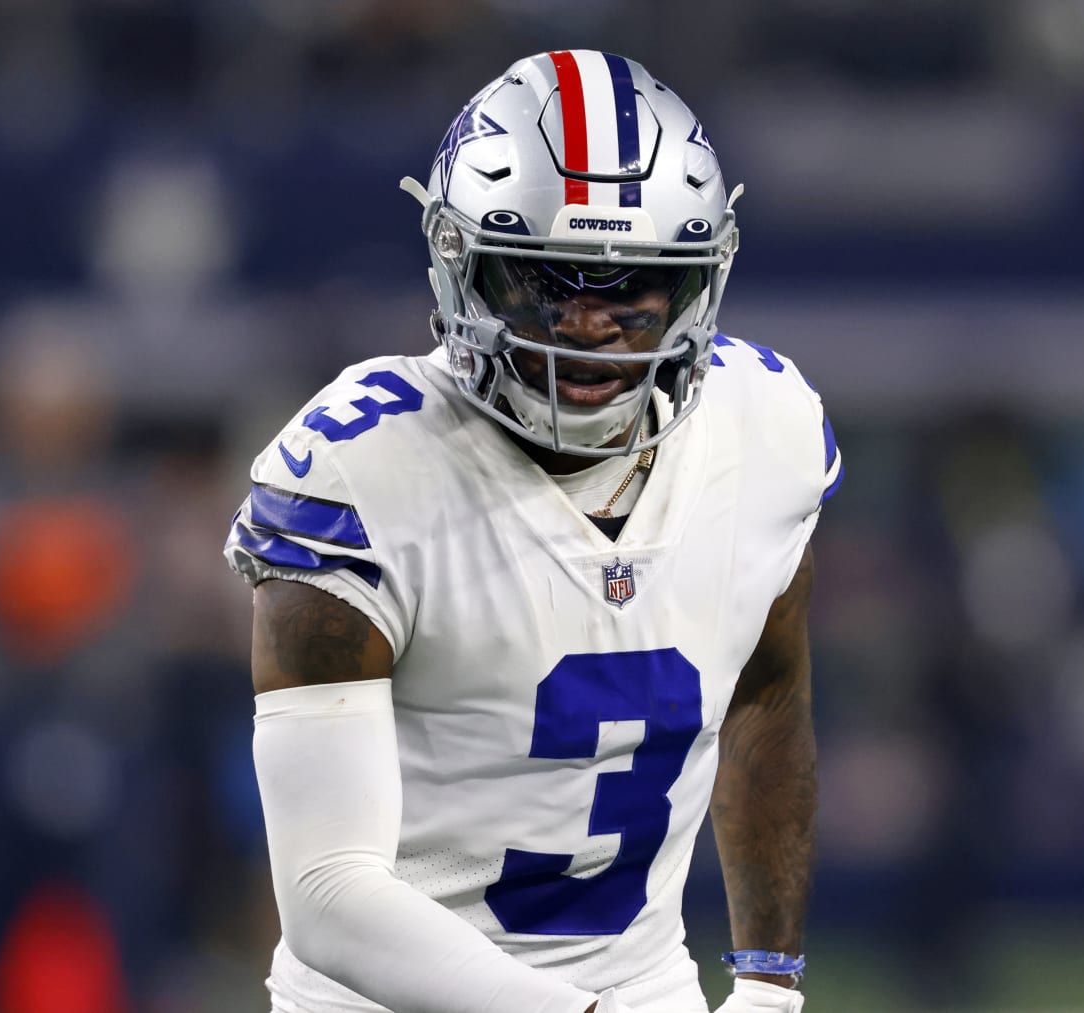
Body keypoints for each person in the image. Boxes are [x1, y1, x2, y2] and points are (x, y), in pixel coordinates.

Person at [224, 50, 841, 1013]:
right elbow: (327, 895)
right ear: (459, 264)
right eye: (546, 281)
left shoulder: (764, 427)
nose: (590, 326)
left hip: (641, 989)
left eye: (635, 287)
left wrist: (769, 985)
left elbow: (766, 699)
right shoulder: (360, 471)